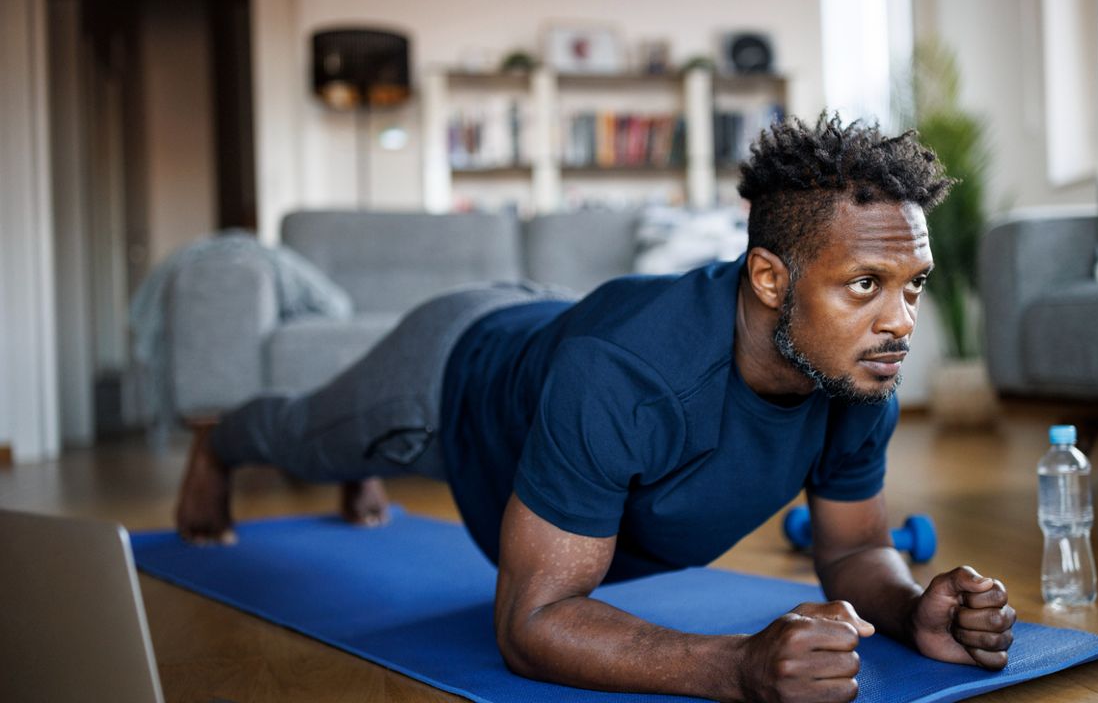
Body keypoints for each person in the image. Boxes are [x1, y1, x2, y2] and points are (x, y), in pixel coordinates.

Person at [177, 114, 1016, 703]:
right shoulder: (622, 375)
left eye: (914, 287)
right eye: (866, 285)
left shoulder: (856, 368)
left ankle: (356, 470)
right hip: (450, 373)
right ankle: (218, 443)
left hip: (554, 332)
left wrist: (911, 611)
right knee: (305, 438)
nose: (902, 323)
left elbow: (859, 547)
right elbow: (528, 624)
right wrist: (736, 667)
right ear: (769, 279)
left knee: (356, 457)